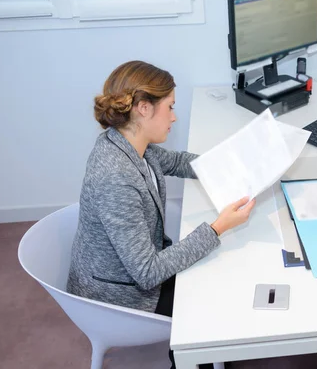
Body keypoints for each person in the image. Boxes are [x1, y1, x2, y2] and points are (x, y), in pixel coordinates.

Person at [66, 60, 256, 369]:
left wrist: (231, 167)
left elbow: (179, 162)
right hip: (117, 297)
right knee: (210, 303)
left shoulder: (129, 142)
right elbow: (148, 272)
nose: (174, 116)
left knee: (216, 275)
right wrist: (219, 226)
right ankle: (189, 359)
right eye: (169, 107)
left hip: (133, 268)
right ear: (143, 108)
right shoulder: (115, 175)